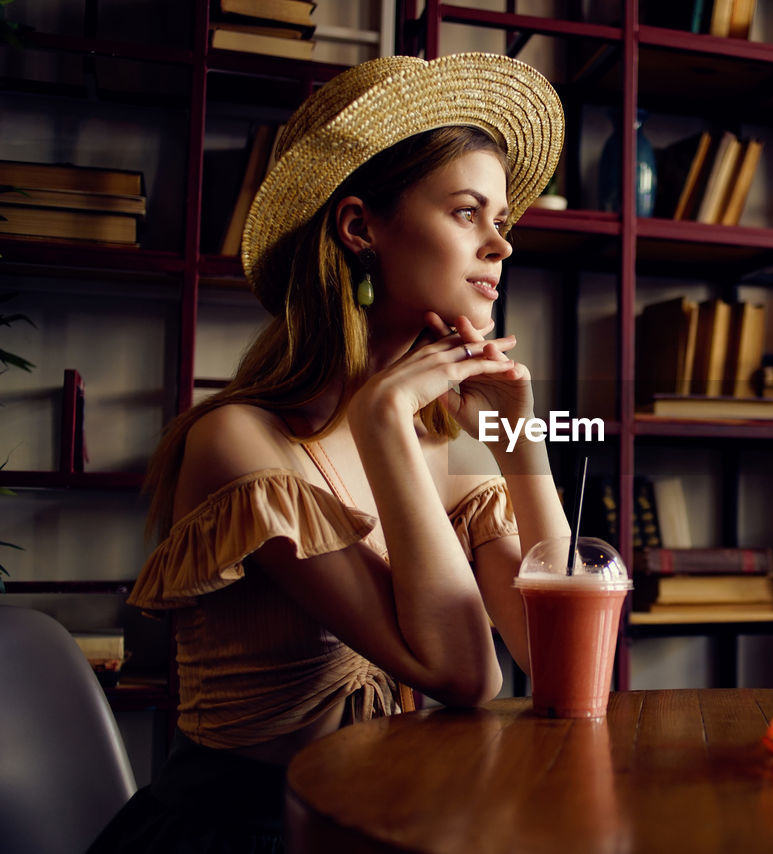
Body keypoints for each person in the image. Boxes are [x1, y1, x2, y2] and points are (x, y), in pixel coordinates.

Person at [89, 52, 569, 852]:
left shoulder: (443, 449)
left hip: (379, 820)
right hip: (239, 833)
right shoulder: (240, 444)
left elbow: (561, 667)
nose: (501, 246)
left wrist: (521, 440)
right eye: (466, 213)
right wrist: (382, 423)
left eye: (502, 222)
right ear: (359, 228)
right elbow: (465, 675)